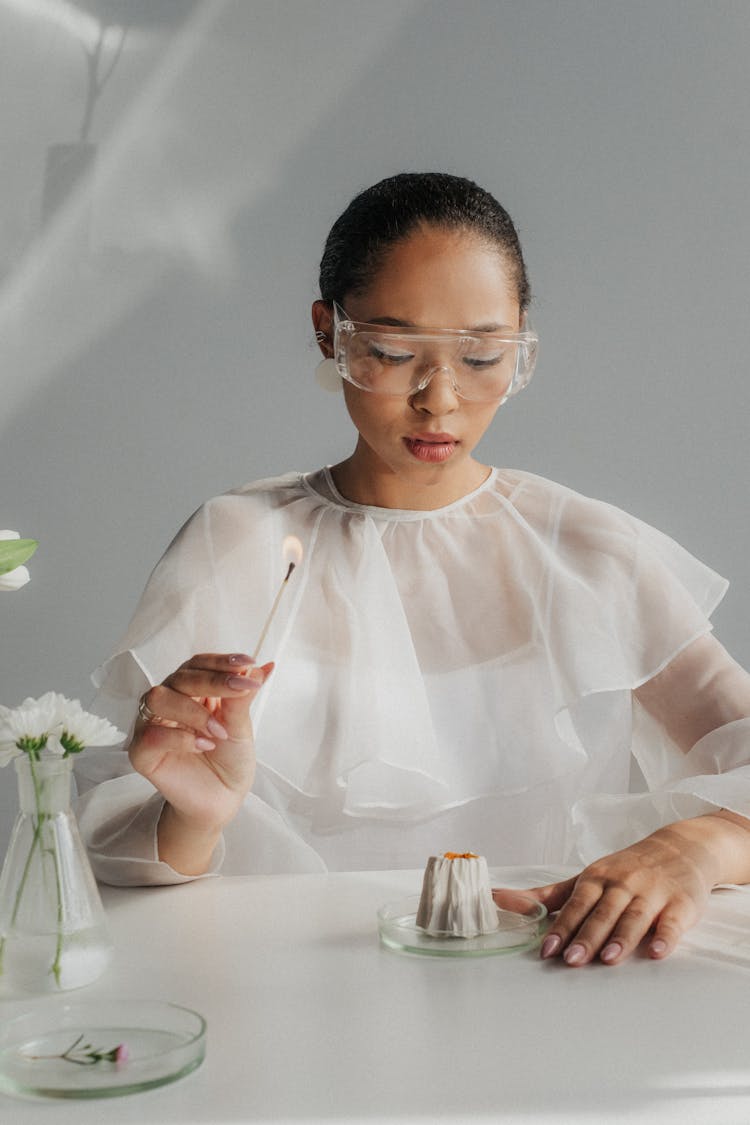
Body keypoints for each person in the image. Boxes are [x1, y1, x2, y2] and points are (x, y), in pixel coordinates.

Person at [76, 172, 750, 969]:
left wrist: (699, 844)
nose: (441, 400)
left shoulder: (586, 552)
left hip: (545, 988)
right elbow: (124, 864)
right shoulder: (239, 543)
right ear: (330, 332)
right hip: (286, 999)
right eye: (394, 352)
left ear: (522, 338)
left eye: (481, 354)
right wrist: (195, 816)